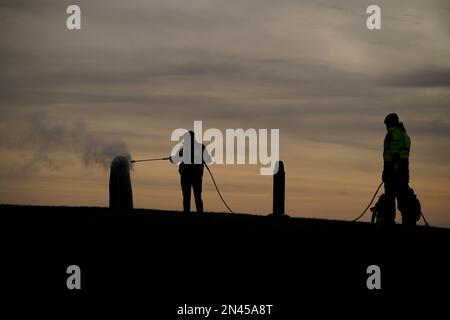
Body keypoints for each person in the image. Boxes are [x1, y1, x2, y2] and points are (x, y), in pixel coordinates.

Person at [381, 113, 420, 225]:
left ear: (390, 122)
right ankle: (408, 220)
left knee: (390, 197)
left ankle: (388, 222)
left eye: (386, 124)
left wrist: (388, 170)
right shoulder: (405, 135)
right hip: (404, 171)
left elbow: (395, 154)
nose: (386, 127)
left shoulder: (392, 134)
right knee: (403, 197)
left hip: (394, 171)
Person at [171, 131, 211, 213]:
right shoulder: (200, 147)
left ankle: (187, 214)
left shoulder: (184, 148)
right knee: (197, 197)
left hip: (186, 175)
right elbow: (208, 159)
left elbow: (176, 159)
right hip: (196, 176)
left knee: (186, 197)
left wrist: (171, 158)